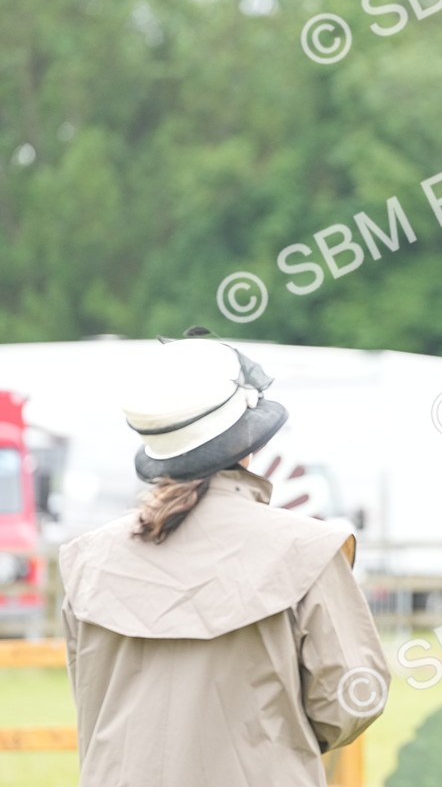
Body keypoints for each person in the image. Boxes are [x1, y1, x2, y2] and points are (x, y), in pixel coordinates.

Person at [58, 335, 390, 787]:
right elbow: (353, 701)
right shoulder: (307, 551)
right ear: (246, 444)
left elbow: (94, 701)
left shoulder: (87, 561)